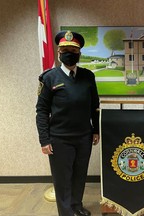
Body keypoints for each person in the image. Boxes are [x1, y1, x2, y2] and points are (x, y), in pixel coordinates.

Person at [36, 30, 100, 216]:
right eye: (65, 49)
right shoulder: (49, 78)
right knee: (63, 179)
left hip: (84, 137)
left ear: (79, 53)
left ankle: (76, 206)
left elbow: (94, 106)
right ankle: (65, 212)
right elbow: (41, 111)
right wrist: (44, 139)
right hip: (59, 139)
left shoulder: (88, 77)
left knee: (80, 176)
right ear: (58, 52)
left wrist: (95, 130)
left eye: (73, 49)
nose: (69, 53)